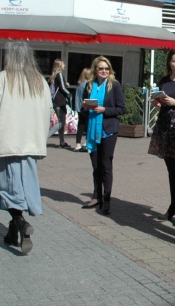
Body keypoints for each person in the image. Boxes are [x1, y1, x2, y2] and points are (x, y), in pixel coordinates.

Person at [0, 42, 51, 255]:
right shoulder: (39, 81)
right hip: (31, 142)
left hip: (9, 142)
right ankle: (14, 230)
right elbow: (48, 109)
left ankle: (20, 222)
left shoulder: (4, 78)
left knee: (8, 187)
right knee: (23, 185)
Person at [79, 56, 126, 215]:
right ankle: (96, 196)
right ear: (95, 70)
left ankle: (107, 200)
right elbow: (84, 109)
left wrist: (104, 110)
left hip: (108, 130)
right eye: (101, 68)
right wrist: (85, 107)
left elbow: (122, 109)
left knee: (106, 165)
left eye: (107, 68)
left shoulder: (115, 85)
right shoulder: (89, 85)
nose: (104, 71)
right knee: (96, 165)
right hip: (93, 129)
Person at [149, 50, 175, 226]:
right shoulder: (164, 80)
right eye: (174, 61)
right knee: (171, 170)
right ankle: (173, 206)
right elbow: (162, 102)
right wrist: (158, 103)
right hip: (165, 127)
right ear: (169, 63)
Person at [49, 58, 71, 148]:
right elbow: (62, 88)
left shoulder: (54, 75)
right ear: (59, 65)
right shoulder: (60, 74)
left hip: (56, 101)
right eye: (63, 64)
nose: (64, 65)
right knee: (61, 123)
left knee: (61, 122)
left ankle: (62, 142)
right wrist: (69, 94)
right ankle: (45, 136)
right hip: (60, 102)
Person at [73, 68, 93, 152]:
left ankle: (78, 144)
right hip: (85, 107)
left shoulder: (79, 84)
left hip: (78, 107)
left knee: (80, 126)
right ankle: (86, 143)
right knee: (89, 125)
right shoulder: (86, 85)